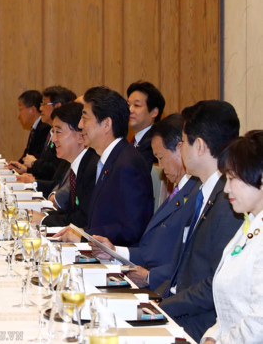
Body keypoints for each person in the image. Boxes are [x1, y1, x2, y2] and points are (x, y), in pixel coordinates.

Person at [157, 100, 243, 342]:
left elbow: (215, 283)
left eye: (184, 141)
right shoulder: (203, 191)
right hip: (180, 311)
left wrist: (162, 308)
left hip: (199, 325)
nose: (181, 148)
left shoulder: (229, 201)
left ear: (201, 146)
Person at [89, 114, 200, 289]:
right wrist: (113, 251)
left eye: (161, 157)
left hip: (164, 288)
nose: (160, 167)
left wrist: (149, 277)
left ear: (180, 149)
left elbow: (182, 261)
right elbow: (152, 249)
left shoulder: (196, 194)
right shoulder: (180, 191)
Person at [56, 86, 154, 246]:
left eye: (85, 118)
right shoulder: (110, 158)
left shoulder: (128, 164)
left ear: (106, 124)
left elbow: (132, 229)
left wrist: (85, 237)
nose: (80, 125)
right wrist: (80, 232)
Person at [201, 131, 263, 344]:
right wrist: (212, 336)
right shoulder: (250, 223)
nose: (226, 189)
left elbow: (259, 323)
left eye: (232, 179)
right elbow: (229, 309)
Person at [32, 102, 99, 227]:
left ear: (81, 136)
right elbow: (70, 212)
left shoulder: (92, 168)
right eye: (53, 132)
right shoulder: (79, 164)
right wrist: (43, 216)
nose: (53, 139)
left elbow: (82, 220)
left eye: (58, 132)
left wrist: (43, 220)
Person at [9, 86, 76, 182]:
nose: (40, 108)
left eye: (44, 104)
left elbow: (54, 171)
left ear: (57, 106)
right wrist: (26, 169)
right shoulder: (50, 131)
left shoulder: (64, 136)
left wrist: (34, 164)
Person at [127, 81, 165, 170]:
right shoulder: (134, 141)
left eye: (136, 105)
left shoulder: (155, 144)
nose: (130, 110)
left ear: (154, 112)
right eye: (128, 105)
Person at [16, 90, 49, 160]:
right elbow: (27, 154)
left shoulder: (44, 128)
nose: (19, 114)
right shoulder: (36, 127)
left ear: (33, 110)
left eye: (21, 109)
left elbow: (37, 158)